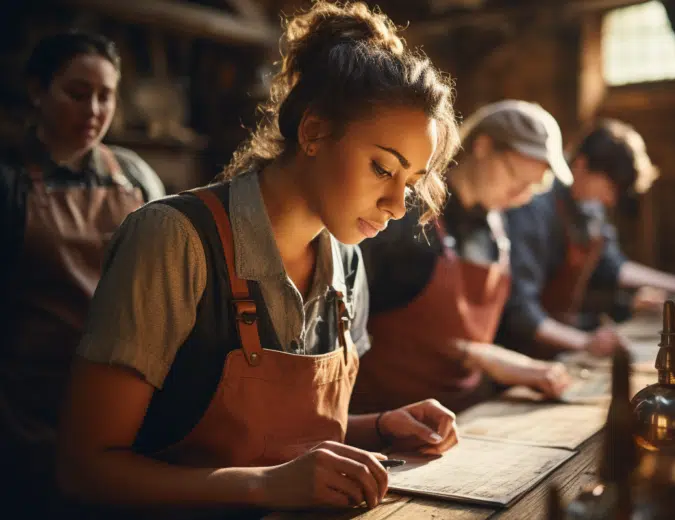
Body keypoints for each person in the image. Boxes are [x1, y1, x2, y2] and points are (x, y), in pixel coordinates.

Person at [56, 2, 460, 515]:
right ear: (313, 132)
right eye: (383, 168)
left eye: (413, 184)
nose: (399, 206)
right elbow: (83, 469)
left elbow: (280, 439)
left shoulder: (347, 260)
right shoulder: (174, 240)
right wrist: (265, 487)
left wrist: (377, 426)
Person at [0, 31, 164, 514]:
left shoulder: (134, 177)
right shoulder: (9, 182)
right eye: (77, 93)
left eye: (105, 96)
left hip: (121, 402)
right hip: (28, 407)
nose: (93, 109)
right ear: (37, 91)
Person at [350, 100, 573, 415]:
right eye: (514, 178)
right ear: (482, 147)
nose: (520, 197)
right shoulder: (404, 217)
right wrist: (474, 353)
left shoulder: (497, 227)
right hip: (389, 417)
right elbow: (350, 323)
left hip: (468, 413)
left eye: (531, 188)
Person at [497, 119, 675, 359]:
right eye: (610, 188)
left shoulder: (589, 209)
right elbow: (521, 311)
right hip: (519, 351)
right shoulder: (534, 207)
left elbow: (613, 267)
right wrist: (586, 342)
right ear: (581, 165)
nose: (611, 201)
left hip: (559, 345)